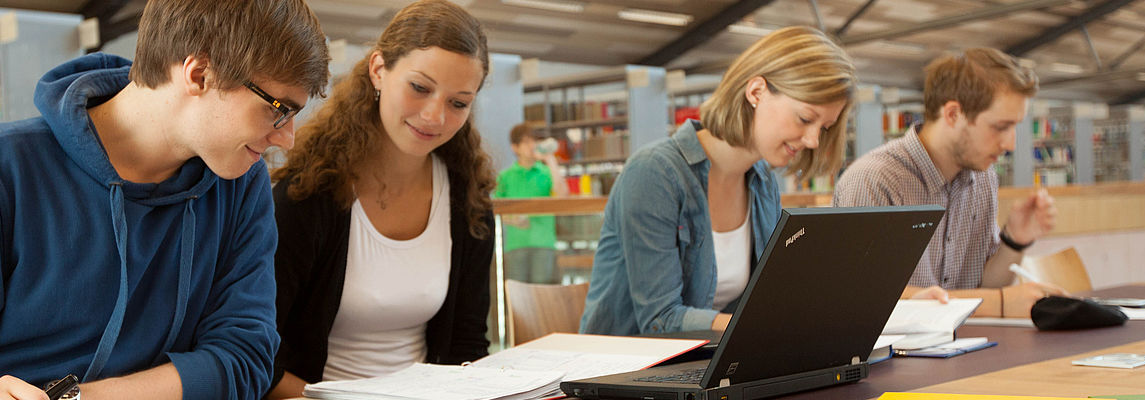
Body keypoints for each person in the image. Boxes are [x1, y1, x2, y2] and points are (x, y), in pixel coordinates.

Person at [0, 1, 329, 399]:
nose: (286, 137)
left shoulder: (238, 185)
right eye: (278, 110)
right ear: (198, 74)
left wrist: (65, 398)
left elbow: (245, 359)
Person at [264, 0, 495, 398]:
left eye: (459, 103)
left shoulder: (467, 199)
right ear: (378, 71)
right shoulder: (308, 194)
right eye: (420, 88)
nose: (435, 117)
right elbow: (259, 356)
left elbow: (467, 347)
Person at [578, 26, 857, 336]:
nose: (814, 140)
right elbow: (660, 321)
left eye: (825, 127)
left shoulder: (763, 183)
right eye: (805, 119)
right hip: (629, 368)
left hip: (707, 363)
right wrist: (765, 326)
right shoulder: (655, 173)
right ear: (756, 92)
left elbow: (768, 297)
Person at [833, 48, 1065, 318]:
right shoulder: (874, 181)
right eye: (1000, 127)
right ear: (953, 114)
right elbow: (865, 301)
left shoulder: (983, 177)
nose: (1010, 144)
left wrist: (1014, 241)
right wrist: (998, 303)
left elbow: (985, 286)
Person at [494, 122, 570, 284]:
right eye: (526, 142)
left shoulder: (546, 172)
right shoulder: (505, 176)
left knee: (541, 297)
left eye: (533, 141)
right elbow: (494, 210)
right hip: (515, 246)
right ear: (515, 147)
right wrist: (514, 220)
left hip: (544, 244)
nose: (531, 146)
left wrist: (550, 161)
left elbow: (563, 196)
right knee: (516, 298)